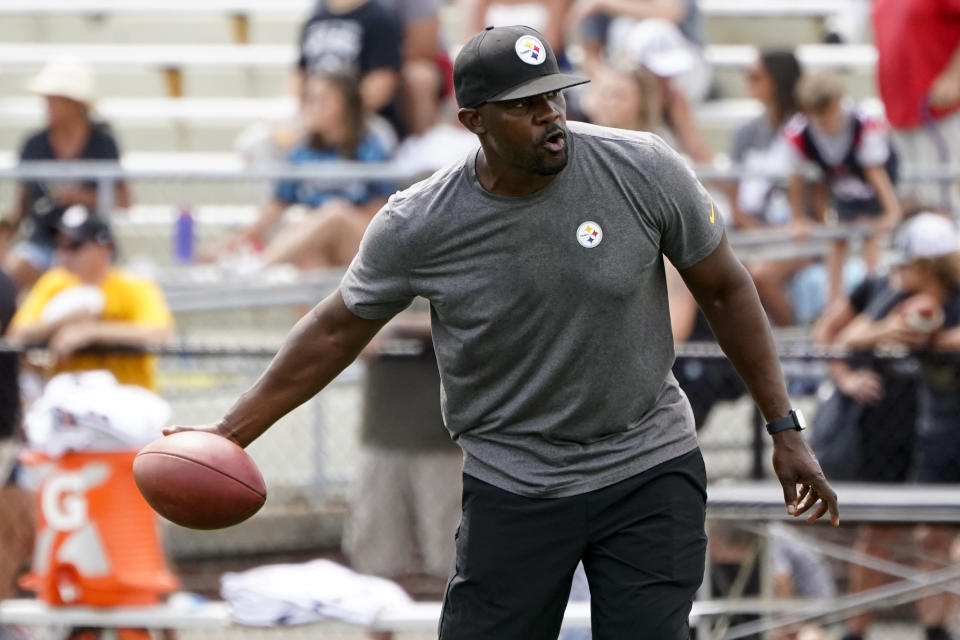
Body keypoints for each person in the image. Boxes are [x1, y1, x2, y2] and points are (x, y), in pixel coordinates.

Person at [166, 26, 839, 640]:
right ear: (473, 121)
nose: (550, 114)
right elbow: (333, 332)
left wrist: (784, 426)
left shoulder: (643, 168)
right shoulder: (420, 222)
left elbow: (725, 286)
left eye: (555, 95)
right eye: (524, 105)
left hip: (646, 463)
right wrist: (225, 436)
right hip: (516, 480)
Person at [819, 211, 959, 640]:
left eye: (911, 262)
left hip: (942, 432)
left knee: (940, 537)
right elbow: (837, 337)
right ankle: (858, 631)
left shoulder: (949, 299)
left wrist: (932, 338)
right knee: (895, 532)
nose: (901, 268)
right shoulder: (885, 291)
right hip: (900, 434)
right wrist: (886, 332)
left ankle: (936, 629)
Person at [343, 306, 462, 640]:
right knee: (379, 563)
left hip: (444, 443)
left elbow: (467, 315)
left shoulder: (459, 261)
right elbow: (340, 317)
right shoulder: (376, 261)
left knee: (453, 562)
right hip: (381, 439)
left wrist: (389, 327)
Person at [204, 73, 395, 271]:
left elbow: (379, 214)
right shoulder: (302, 152)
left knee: (335, 214)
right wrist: (228, 247)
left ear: (345, 104)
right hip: (321, 242)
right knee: (310, 259)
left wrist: (329, 217)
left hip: (363, 242)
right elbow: (274, 210)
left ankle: (260, 266)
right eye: (308, 100)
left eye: (321, 100)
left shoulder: (369, 148)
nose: (311, 108)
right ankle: (265, 271)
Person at [0, 57, 131, 294]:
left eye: (54, 99)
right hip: (41, 243)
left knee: (92, 287)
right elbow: (21, 207)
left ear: (75, 103)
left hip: (90, 244)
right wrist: (4, 234)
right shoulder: (34, 145)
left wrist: (83, 198)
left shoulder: (103, 144)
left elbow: (124, 201)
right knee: (9, 277)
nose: (47, 104)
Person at [7, 205, 171, 391]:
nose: (64, 253)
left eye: (74, 245)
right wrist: (63, 322)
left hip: (126, 394)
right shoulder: (54, 282)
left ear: (105, 248)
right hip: (68, 395)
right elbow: (16, 336)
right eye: (60, 244)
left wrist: (91, 332)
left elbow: (159, 335)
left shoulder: (134, 286)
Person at [783, 71, 902, 307]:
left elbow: (875, 171)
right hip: (843, 188)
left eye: (829, 115)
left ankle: (872, 303)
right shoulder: (800, 133)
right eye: (819, 117)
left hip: (874, 189)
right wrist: (797, 218)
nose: (826, 124)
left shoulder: (863, 123)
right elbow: (796, 178)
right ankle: (833, 304)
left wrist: (891, 211)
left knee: (871, 236)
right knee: (837, 240)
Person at [727, 50, 809, 326]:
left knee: (759, 275)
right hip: (754, 231)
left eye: (755, 76)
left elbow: (820, 204)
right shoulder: (745, 133)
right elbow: (734, 202)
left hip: (801, 235)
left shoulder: (807, 131)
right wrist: (758, 231)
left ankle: (799, 351)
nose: (747, 82)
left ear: (777, 80)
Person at [873, 0, 960, 210]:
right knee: (911, 206)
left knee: (940, 205)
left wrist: (956, 76)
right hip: (898, 115)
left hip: (940, 112)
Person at [296, 0, 403, 138]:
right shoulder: (316, 18)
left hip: (362, 121)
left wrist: (340, 113)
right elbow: (299, 72)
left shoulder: (379, 18)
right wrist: (308, 111)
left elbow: (383, 79)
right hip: (316, 119)